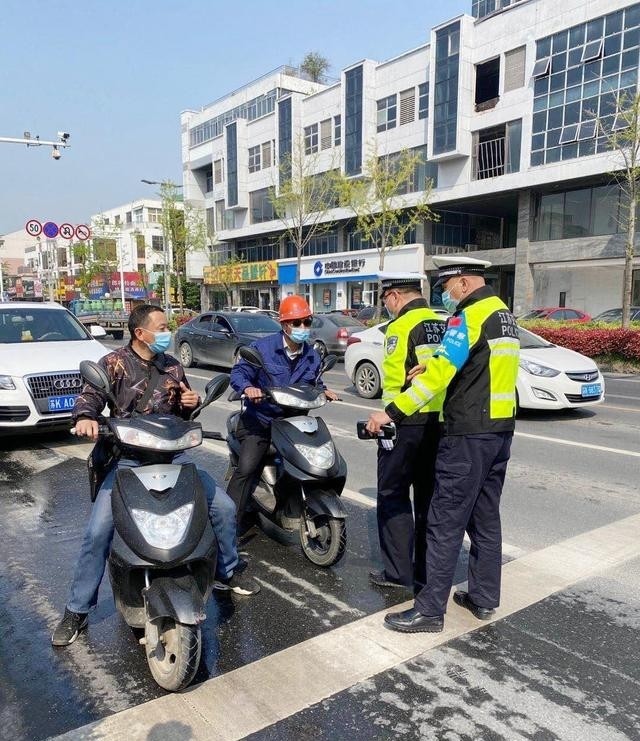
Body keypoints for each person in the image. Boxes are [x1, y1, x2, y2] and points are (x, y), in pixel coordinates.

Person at [52, 304, 258, 648]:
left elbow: (182, 408)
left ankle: (227, 571)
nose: (168, 332)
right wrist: (85, 417)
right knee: (98, 531)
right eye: (162, 327)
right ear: (140, 333)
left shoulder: (173, 366)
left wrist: (190, 402)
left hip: (172, 457)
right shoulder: (113, 364)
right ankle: (76, 610)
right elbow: (89, 398)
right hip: (128, 461)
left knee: (221, 507)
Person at [366, 257, 520, 633]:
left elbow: (437, 376)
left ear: (464, 283)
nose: (446, 295)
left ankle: (429, 610)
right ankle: (483, 598)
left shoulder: (467, 317)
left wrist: (391, 412)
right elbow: (481, 366)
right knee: (485, 519)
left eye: (448, 287)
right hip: (499, 432)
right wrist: (436, 360)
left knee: (443, 522)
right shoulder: (504, 315)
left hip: (466, 433)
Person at [227, 295, 339, 535]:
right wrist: (249, 388)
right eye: (296, 323)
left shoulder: (312, 354)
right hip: (261, 421)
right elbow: (239, 374)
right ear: (284, 324)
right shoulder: (262, 349)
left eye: (307, 322)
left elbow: (314, 381)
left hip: (293, 423)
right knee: (247, 469)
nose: (303, 328)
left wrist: (323, 390)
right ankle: (226, 526)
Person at [367, 273, 446, 594]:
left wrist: (387, 418)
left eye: (384, 298)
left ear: (395, 295)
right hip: (439, 424)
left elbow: (396, 382)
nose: (385, 305)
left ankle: (399, 573)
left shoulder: (399, 328)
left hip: (404, 423)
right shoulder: (443, 324)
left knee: (393, 496)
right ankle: (426, 568)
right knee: (428, 498)